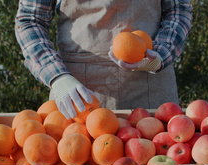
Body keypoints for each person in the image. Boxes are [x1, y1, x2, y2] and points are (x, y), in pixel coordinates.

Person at [15, 0, 193, 119]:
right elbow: (30, 20)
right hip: (78, 92)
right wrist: (57, 77)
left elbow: (179, 11)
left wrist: (161, 54)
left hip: (152, 87)